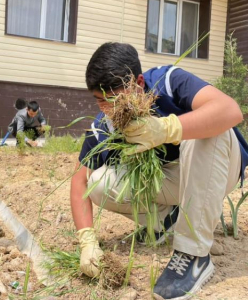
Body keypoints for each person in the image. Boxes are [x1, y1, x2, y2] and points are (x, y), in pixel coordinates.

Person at [71, 42, 248, 300]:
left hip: (216, 168)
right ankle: (167, 221)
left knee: (210, 131)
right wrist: (86, 240)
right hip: (173, 184)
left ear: (138, 82)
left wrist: (167, 128)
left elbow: (230, 110)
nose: (108, 109)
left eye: (115, 100)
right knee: (96, 182)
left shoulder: (167, 82)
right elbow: (79, 183)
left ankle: (194, 254)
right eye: (100, 101)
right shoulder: (104, 126)